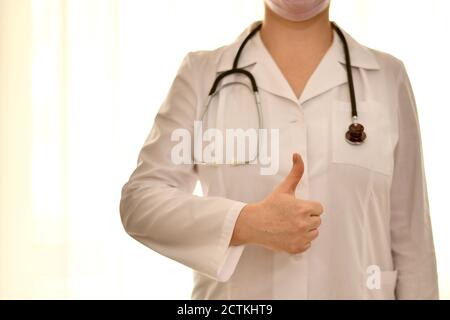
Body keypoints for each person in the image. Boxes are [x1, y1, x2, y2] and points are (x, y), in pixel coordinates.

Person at [120, 0, 439, 299]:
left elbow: (413, 245)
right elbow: (140, 201)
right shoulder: (201, 74)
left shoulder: (387, 77)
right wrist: (244, 222)